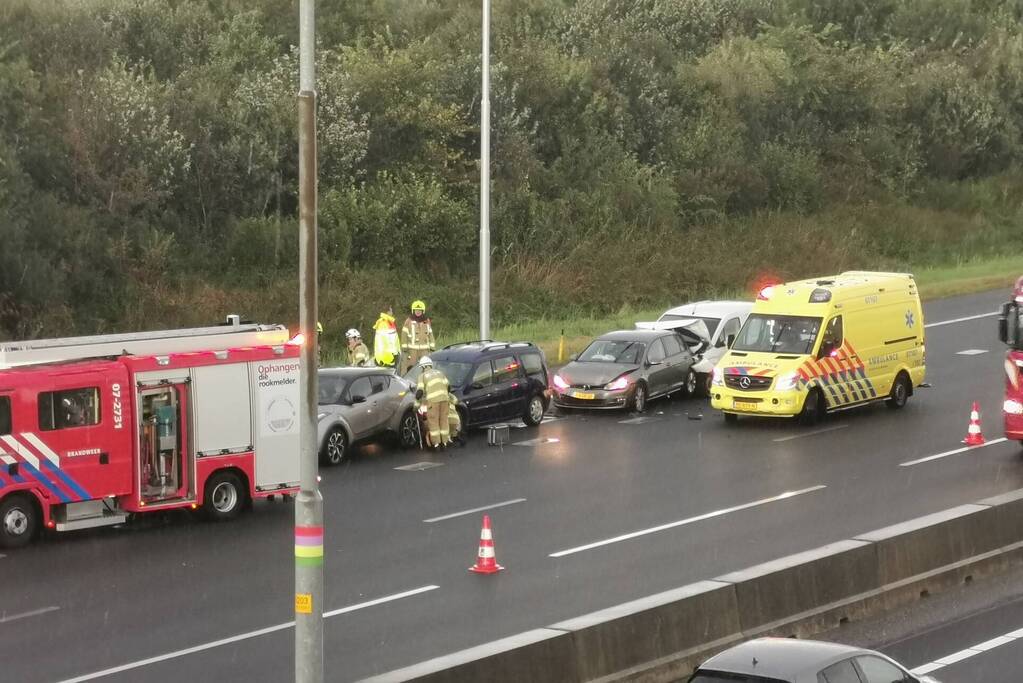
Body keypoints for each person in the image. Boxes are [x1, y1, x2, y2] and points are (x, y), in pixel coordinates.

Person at [415, 356, 451, 449]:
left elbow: (420, 392)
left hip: (433, 401)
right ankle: (445, 442)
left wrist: (416, 403)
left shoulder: (422, 376)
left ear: (423, 367)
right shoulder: (440, 373)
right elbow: (448, 387)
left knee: (433, 422)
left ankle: (436, 444)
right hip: (445, 399)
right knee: (444, 420)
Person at [401, 300, 436, 374]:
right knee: (410, 368)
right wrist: (404, 347)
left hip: (425, 350)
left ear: (423, 311)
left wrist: (432, 346)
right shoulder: (408, 321)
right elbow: (404, 334)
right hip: (412, 350)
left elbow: (430, 334)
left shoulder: (427, 321)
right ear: (413, 311)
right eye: (416, 310)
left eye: (420, 310)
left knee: (426, 367)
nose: (418, 311)